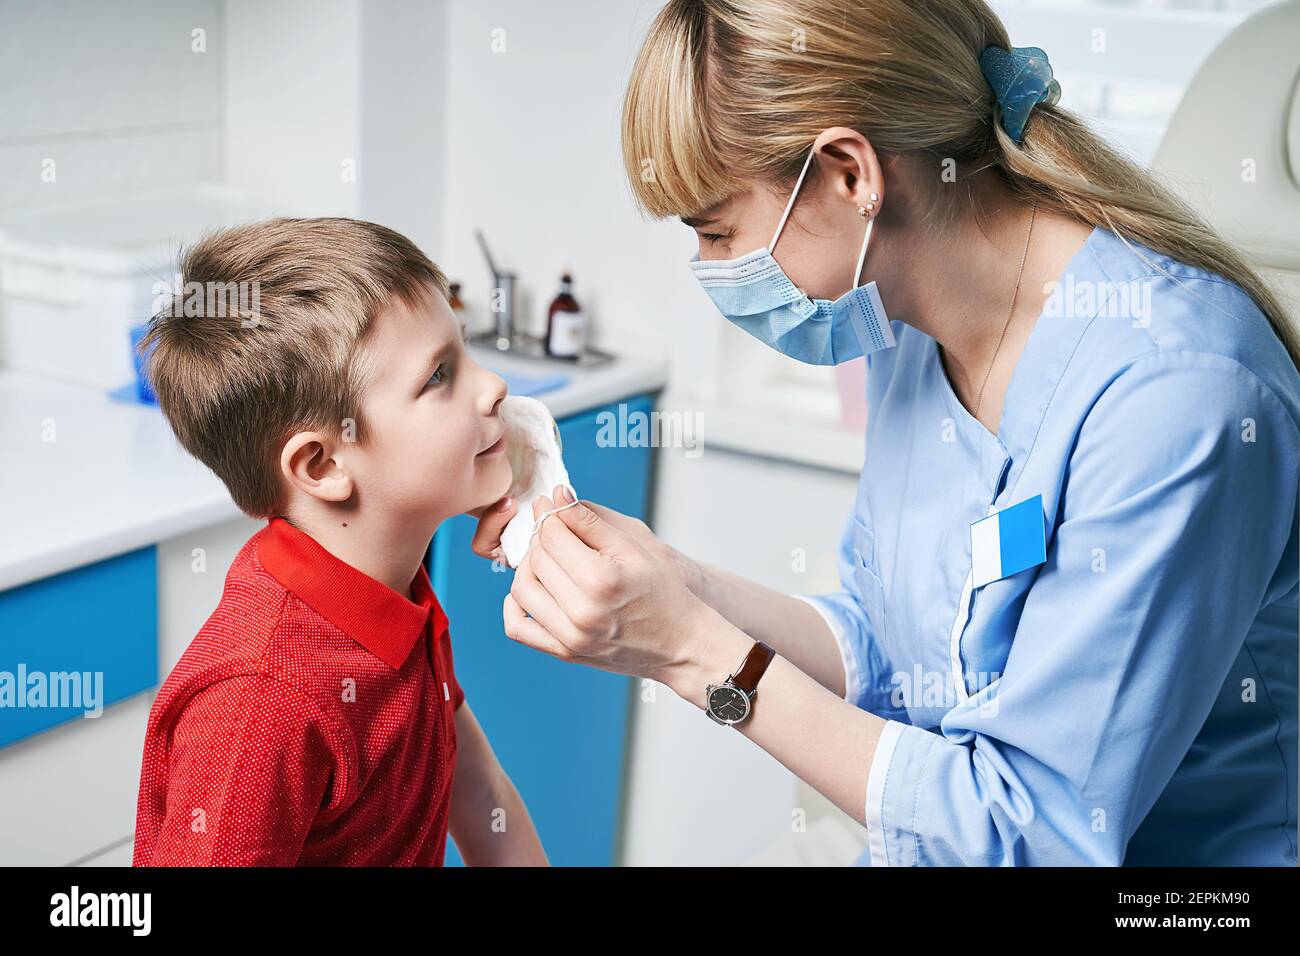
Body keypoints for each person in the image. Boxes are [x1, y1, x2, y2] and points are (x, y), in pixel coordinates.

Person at [475, 0, 1300, 865]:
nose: (714, 273)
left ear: (848, 173)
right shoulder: (905, 326)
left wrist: (691, 653)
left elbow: (1033, 833)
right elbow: (882, 643)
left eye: (718, 232)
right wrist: (667, 585)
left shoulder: (1179, 395)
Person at [133, 218, 545, 865]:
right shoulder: (259, 702)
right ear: (323, 466)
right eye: (439, 376)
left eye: (463, 351)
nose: (492, 385)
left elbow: (480, 794)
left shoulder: (390, 589)